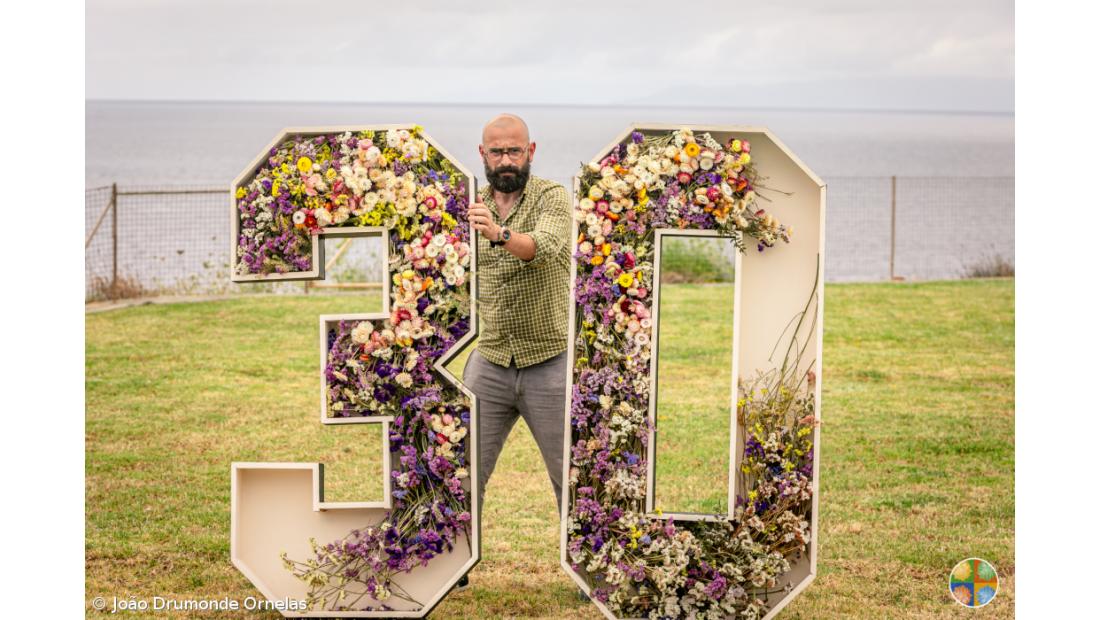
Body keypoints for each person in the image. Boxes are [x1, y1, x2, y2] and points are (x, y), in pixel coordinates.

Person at [456, 113, 573, 591]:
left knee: (571, 475)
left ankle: (591, 570)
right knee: (459, 468)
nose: (506, 160)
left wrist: (499, 235)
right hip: (490, 360)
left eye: (515, 151)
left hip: (549, 361)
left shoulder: (552, 198)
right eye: (497, 151)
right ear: (482, 155)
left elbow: (542, 248)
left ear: (532, 151)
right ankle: (449, 566)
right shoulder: (468, 204)